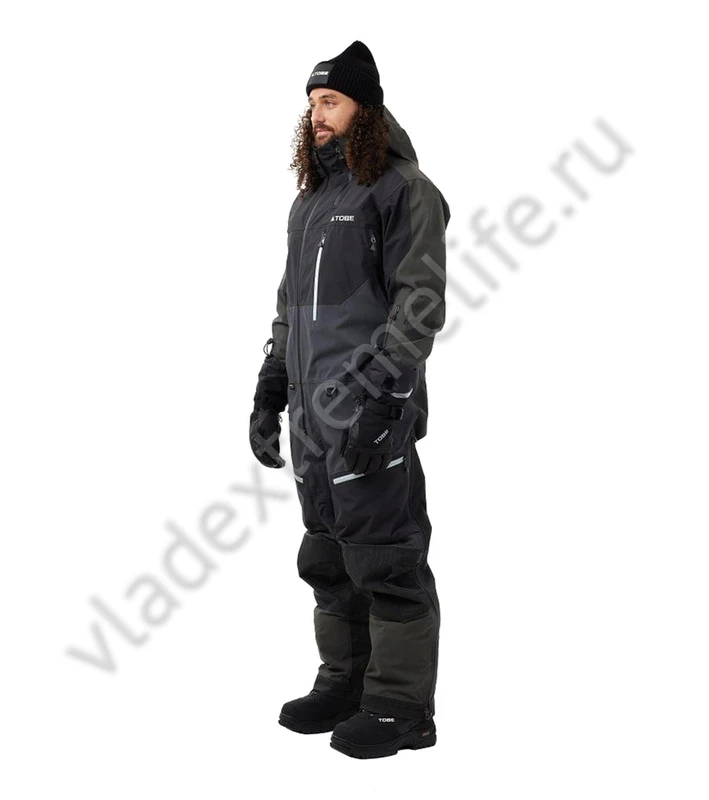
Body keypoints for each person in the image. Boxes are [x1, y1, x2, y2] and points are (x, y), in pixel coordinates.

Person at [248, 40, 450, 759]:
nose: (317, 115)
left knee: (386, 559)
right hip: (314, 421)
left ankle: (400, 708)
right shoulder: (310, 203)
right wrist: (271, 387)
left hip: (370, 413)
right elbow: (290, 307)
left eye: (330, 101)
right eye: (312, 103)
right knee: (328, 558)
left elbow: (419, 303)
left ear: (365, 109)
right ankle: (345, 683)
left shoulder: (403, 190)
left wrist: (385, 402)